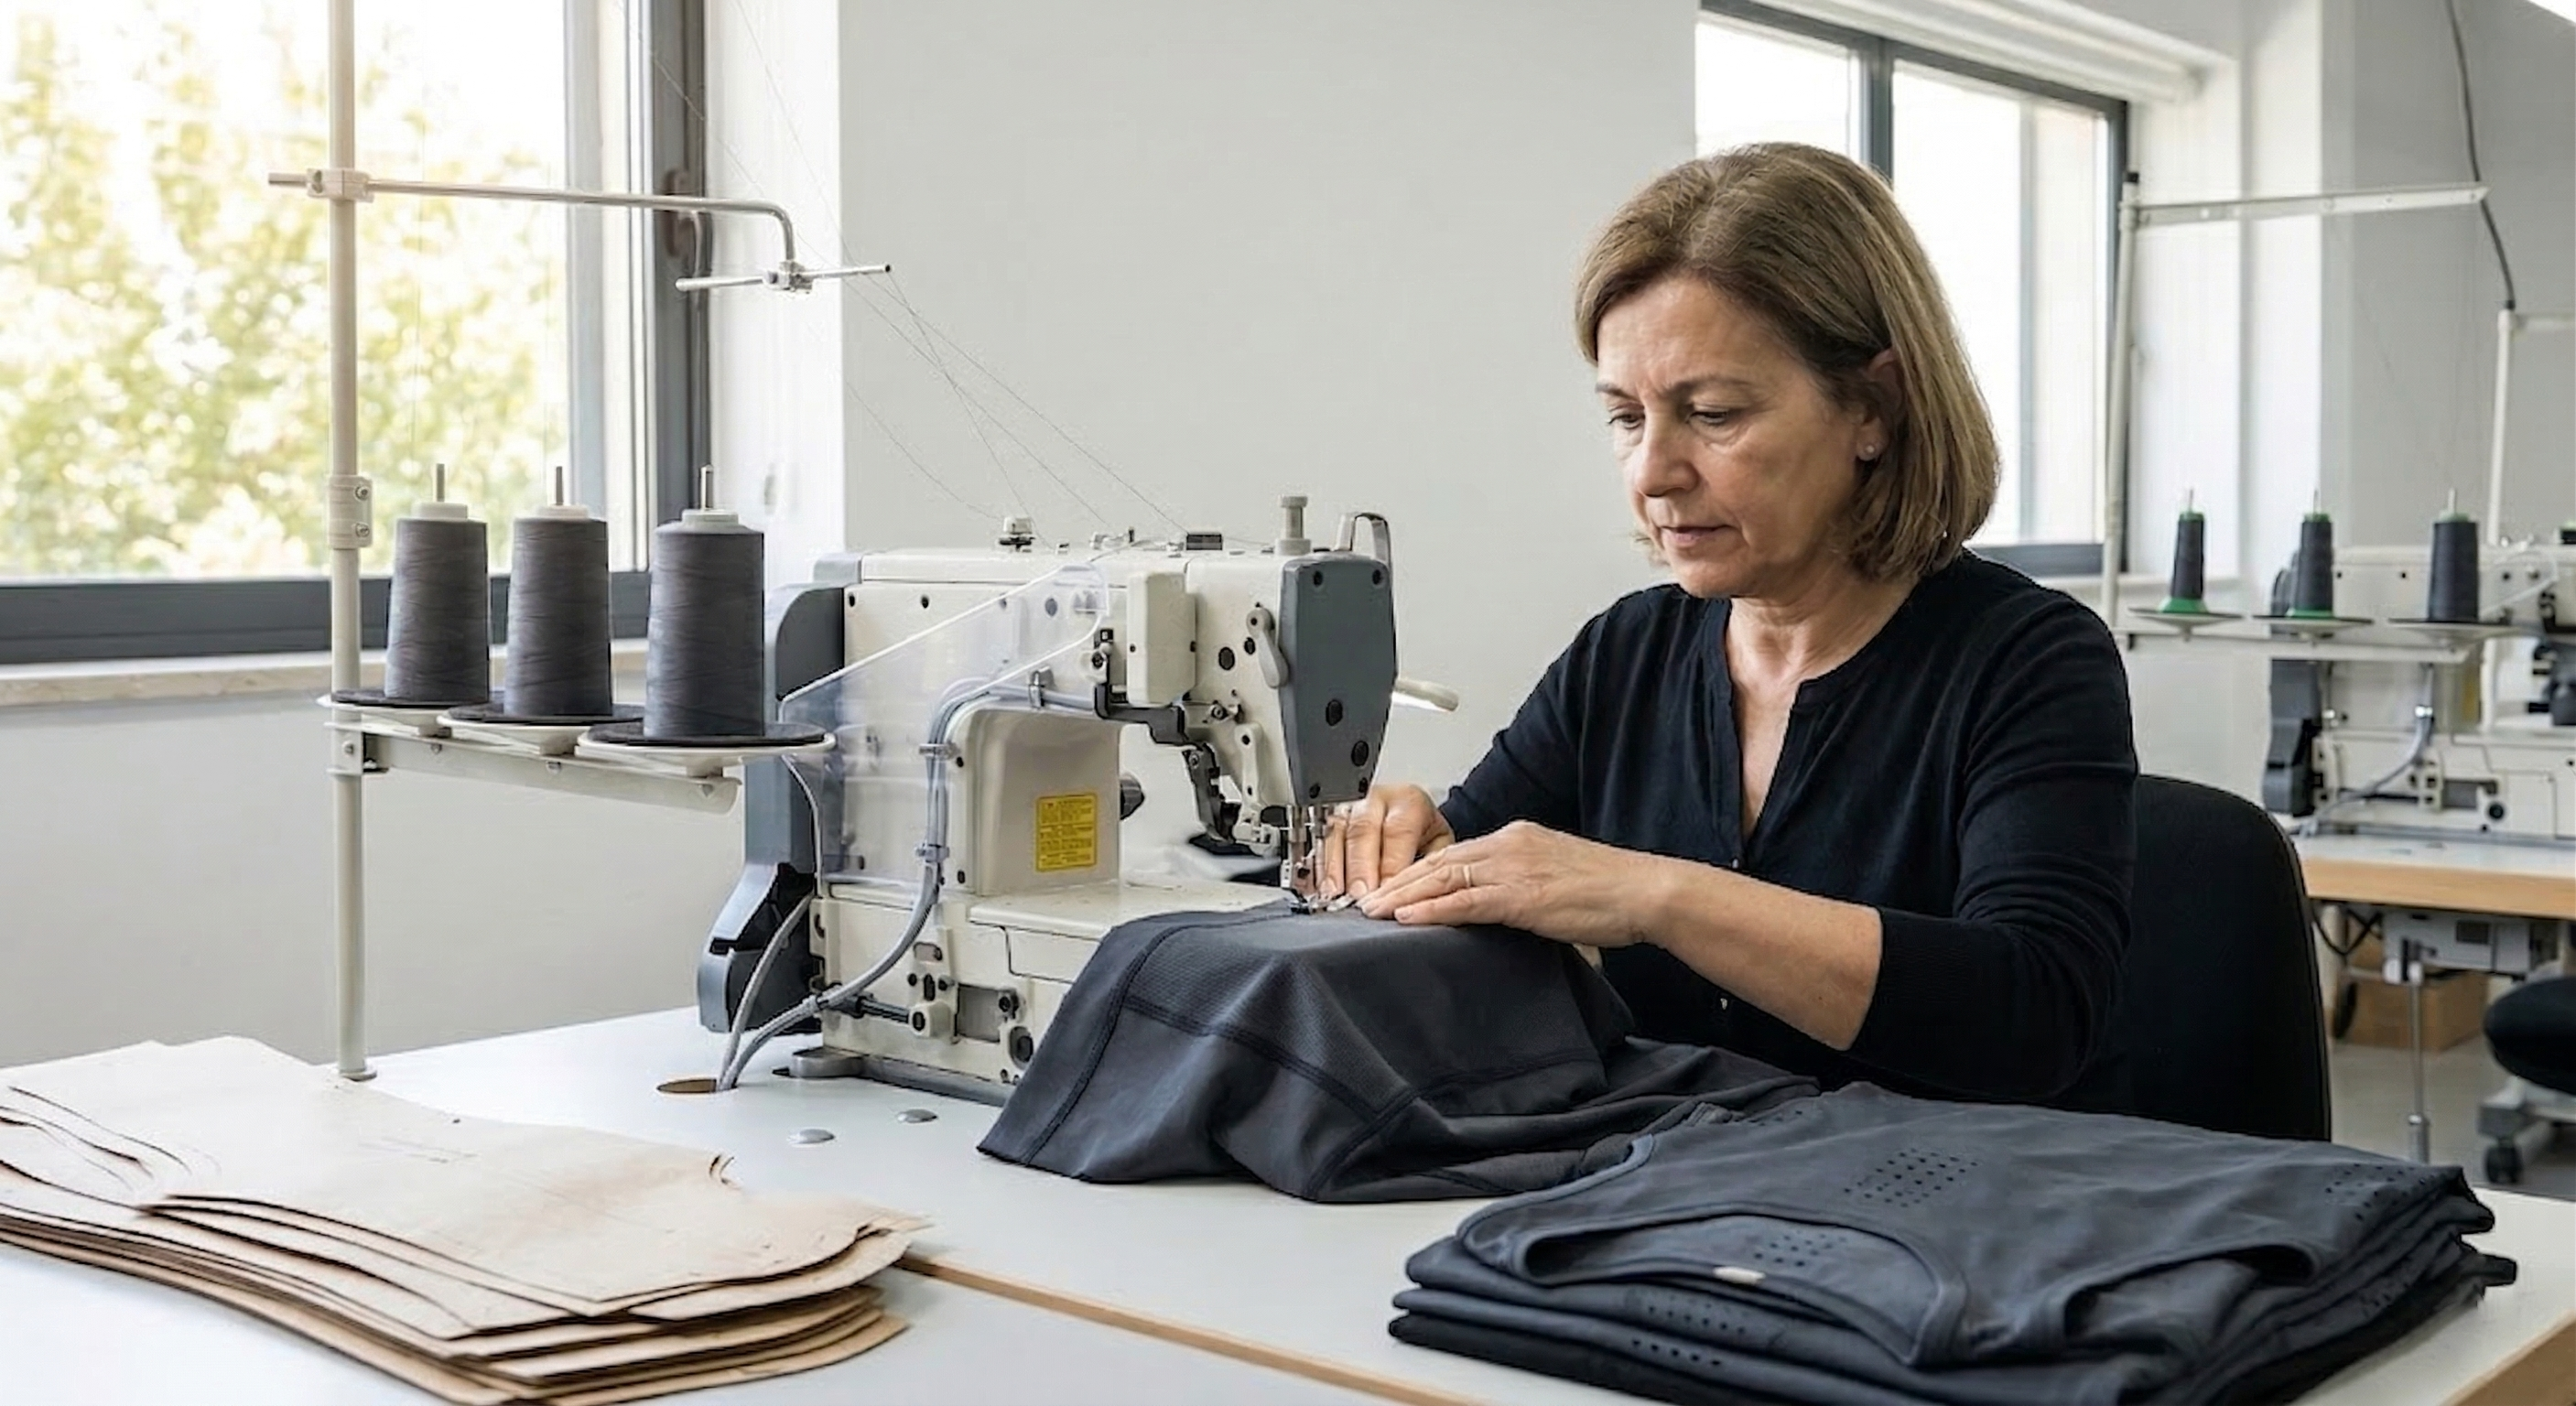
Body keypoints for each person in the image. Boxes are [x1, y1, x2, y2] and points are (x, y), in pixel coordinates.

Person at [1321, 143, 2137, 1105]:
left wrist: (1656, 895)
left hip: (1943, 1209)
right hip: (1678, 1191)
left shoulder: (2027, 662)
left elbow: (2031, 1018)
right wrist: (1414, 846)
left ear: (1874, 408)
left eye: (1710, 413)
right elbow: (1481, 865)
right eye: (1627, 417)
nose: (1652, 473)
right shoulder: (1625, 656)